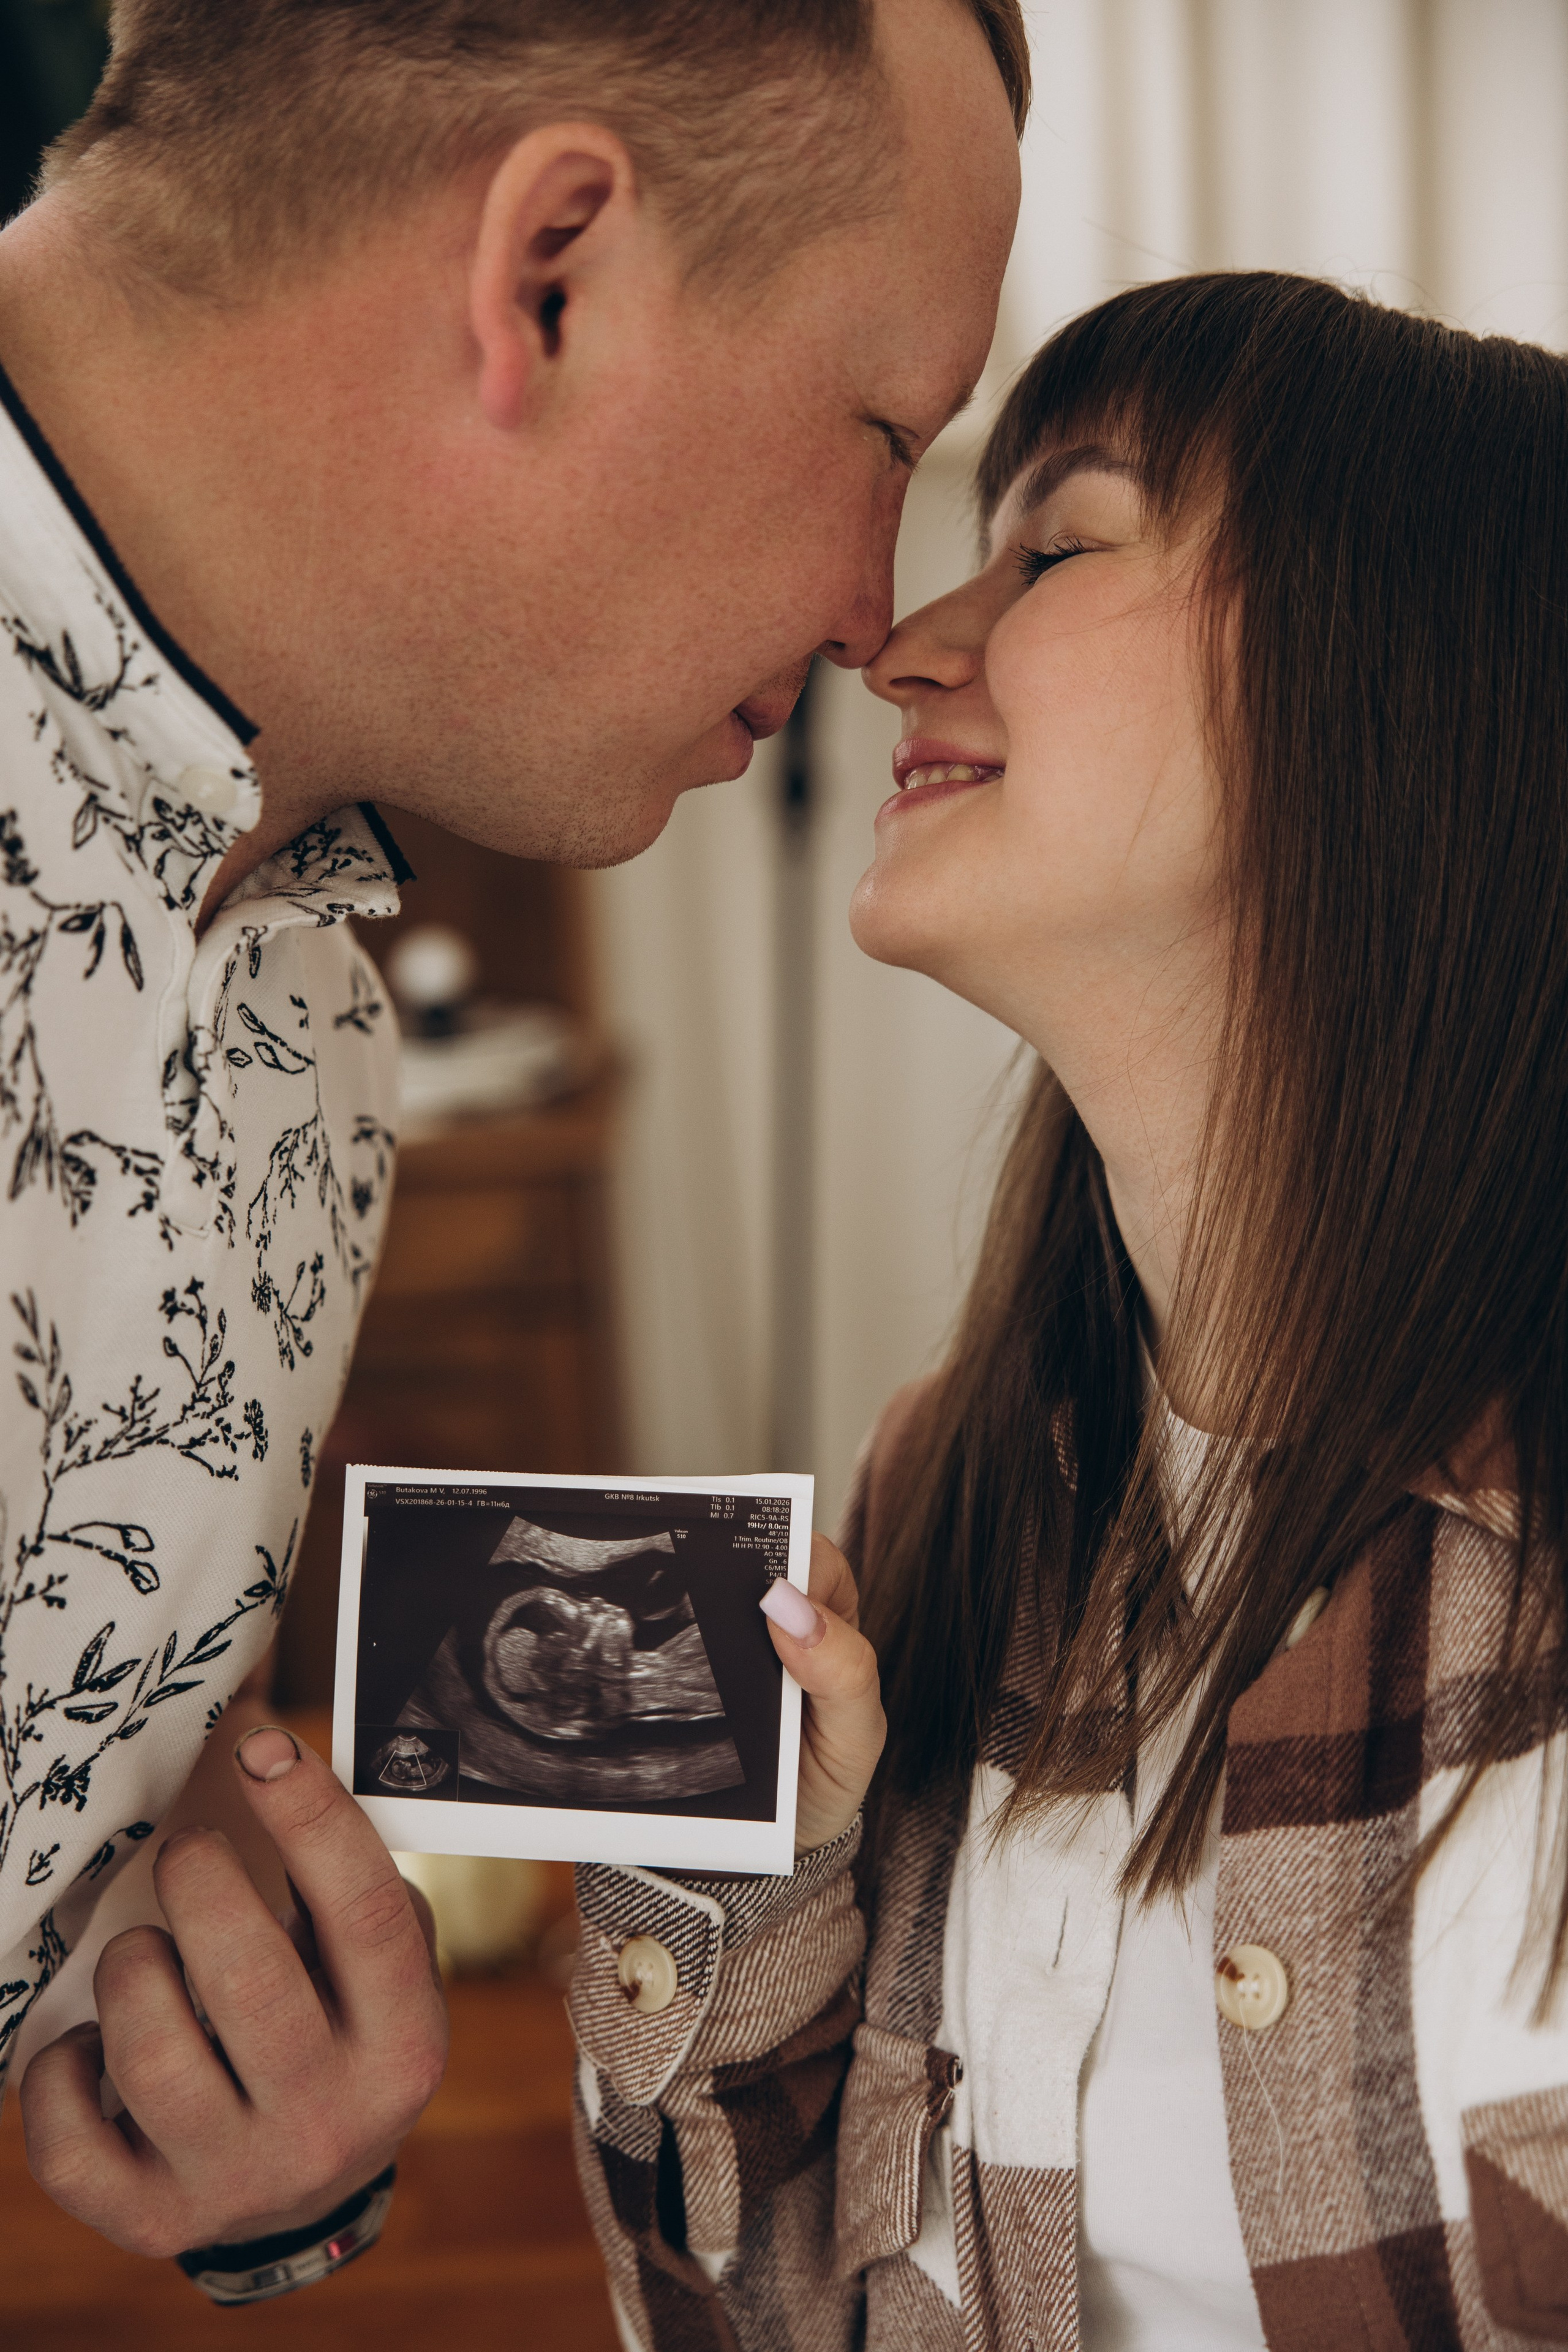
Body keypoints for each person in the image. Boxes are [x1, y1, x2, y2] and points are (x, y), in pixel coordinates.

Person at [0, 0, 1028, 2301]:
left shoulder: (314, 1049)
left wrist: (239, 2122)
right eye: (886, 431)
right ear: (549, 270)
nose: (880, 622)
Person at [570, 271, 1568, 2350]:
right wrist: (752, 1887)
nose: (900, 648)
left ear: (1396, 675)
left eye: (1056, 548)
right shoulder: (946, 1487)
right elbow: (768, 2319)